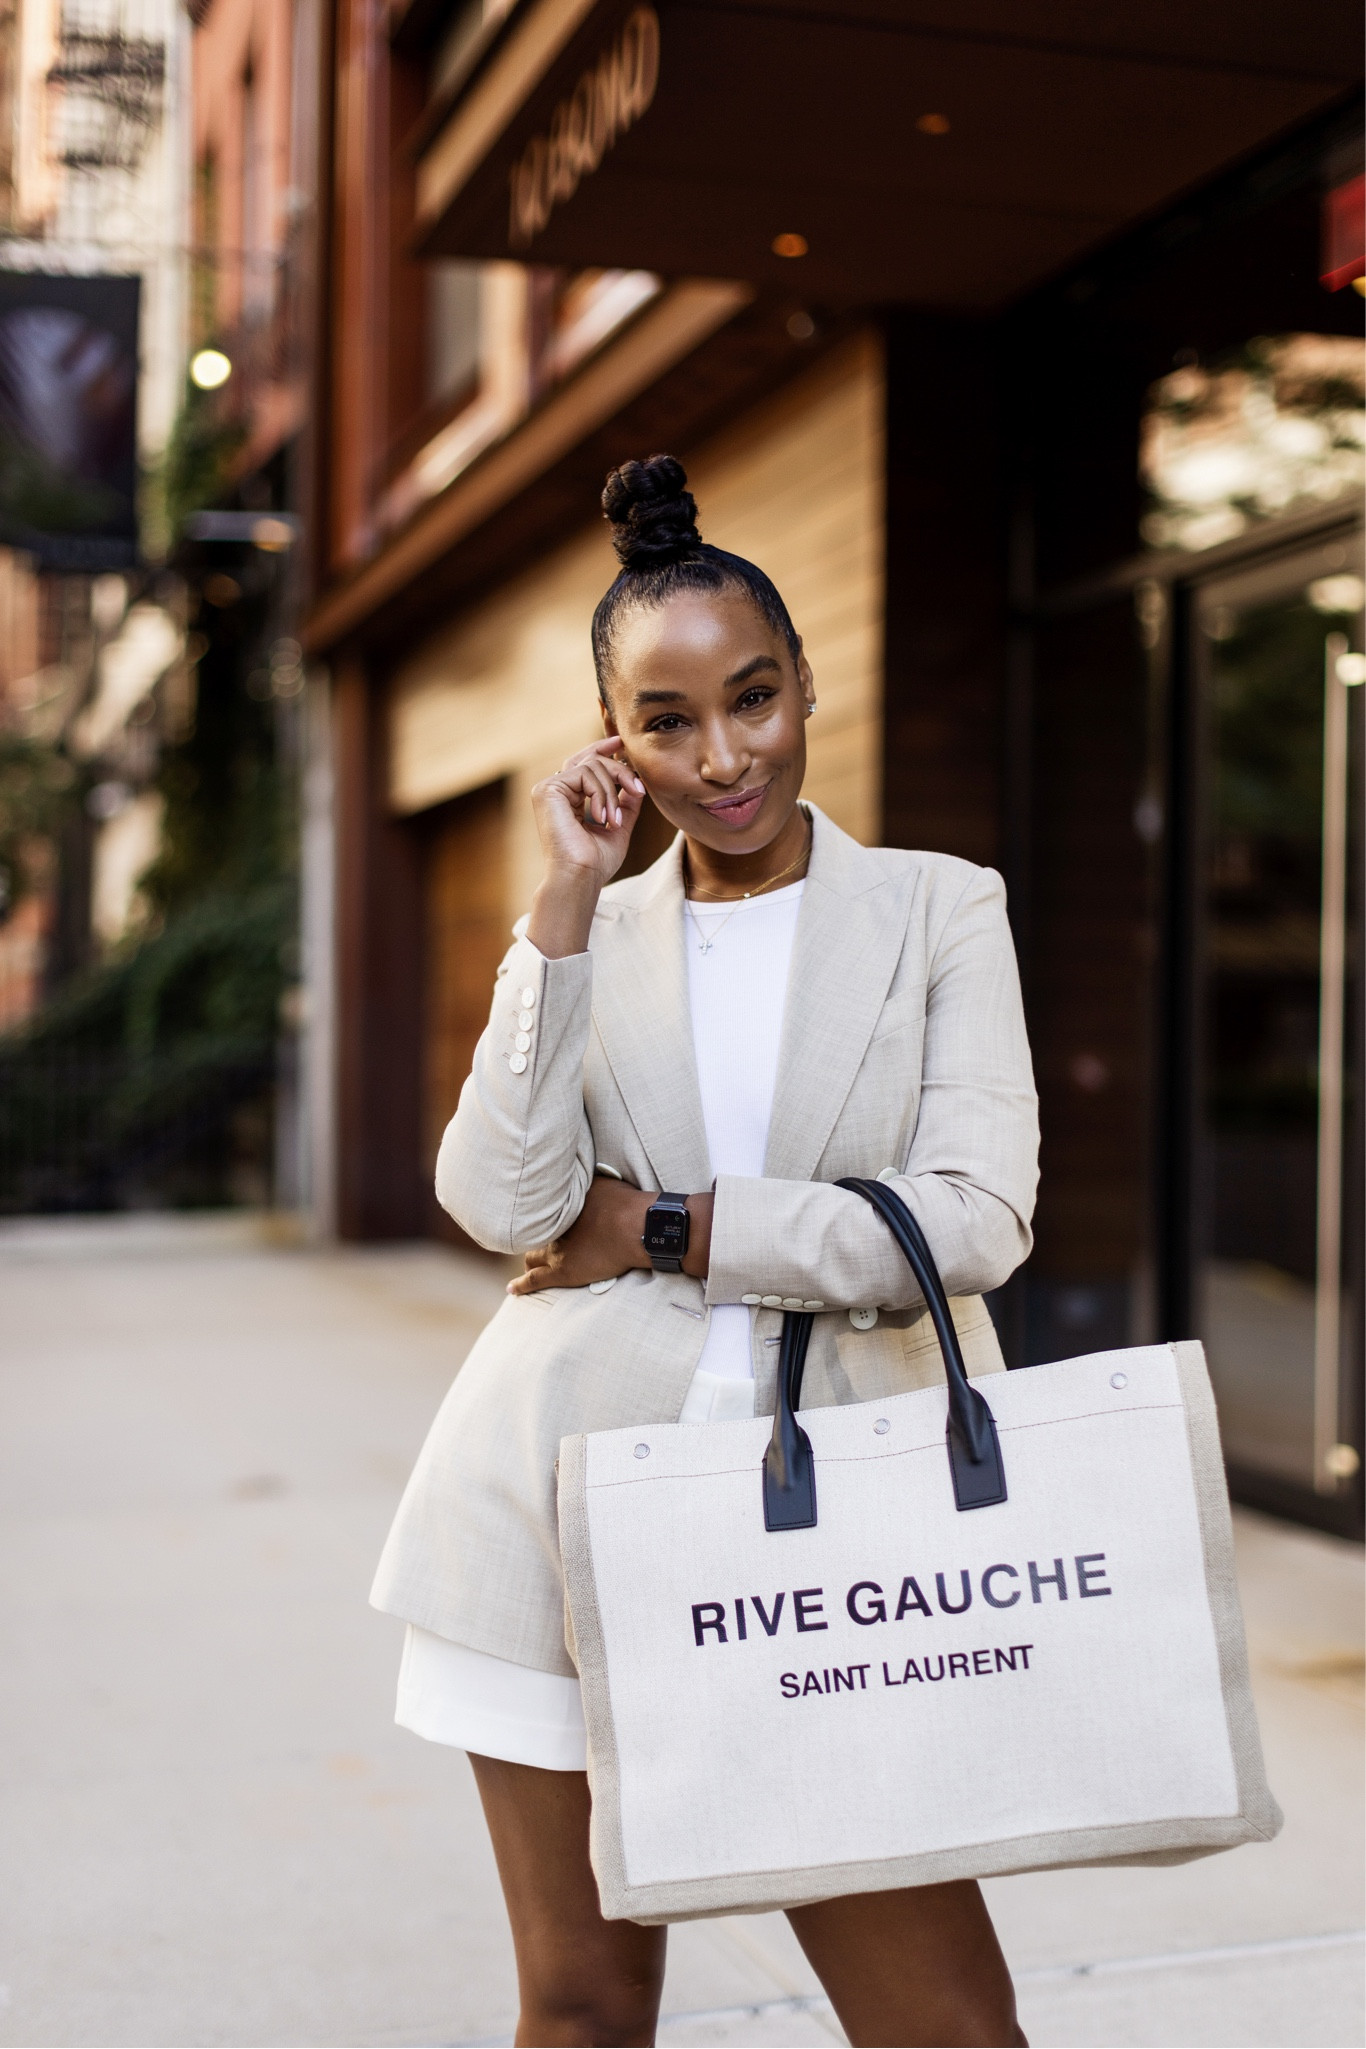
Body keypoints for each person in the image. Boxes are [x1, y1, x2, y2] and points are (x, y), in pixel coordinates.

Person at [372, 454, 1039, 2048]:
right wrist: (557, 908)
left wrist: (664, 1225)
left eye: (753, 699)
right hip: (558, 1503)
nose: (723, 754)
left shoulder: (940, 910)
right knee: (585, 2004)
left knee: (944, 2022)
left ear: (804, 684)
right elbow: (501, 1196)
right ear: (619, 739)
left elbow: (975, 1214)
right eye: (668, 722)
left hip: (842, 1543)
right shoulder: (592, 930)